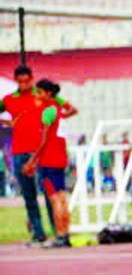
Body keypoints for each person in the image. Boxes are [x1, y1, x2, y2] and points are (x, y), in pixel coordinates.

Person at [0, 65, 68, 244]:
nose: (23, 85)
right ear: (16, 80)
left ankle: (58, 232)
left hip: (41, 152)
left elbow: (66, 106)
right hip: (19, 153)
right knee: (29, 195)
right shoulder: (8, 100)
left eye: (27, 81)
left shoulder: (42, 95)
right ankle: (38, 233)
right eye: (20, 81)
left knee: (49, 193)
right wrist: (9, 122)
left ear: (31, 79)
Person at [22, 79, 77, 248]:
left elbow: (43, 139)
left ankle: (60, 235)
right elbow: (73, 110)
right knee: (61, 198)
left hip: (49, 160)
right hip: (60, 158)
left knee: (55, 200)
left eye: (40, 92)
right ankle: (65, 235)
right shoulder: (58, 110)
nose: (37, 95)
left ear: (48, 93)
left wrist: (31, 161)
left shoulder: (47, 111)